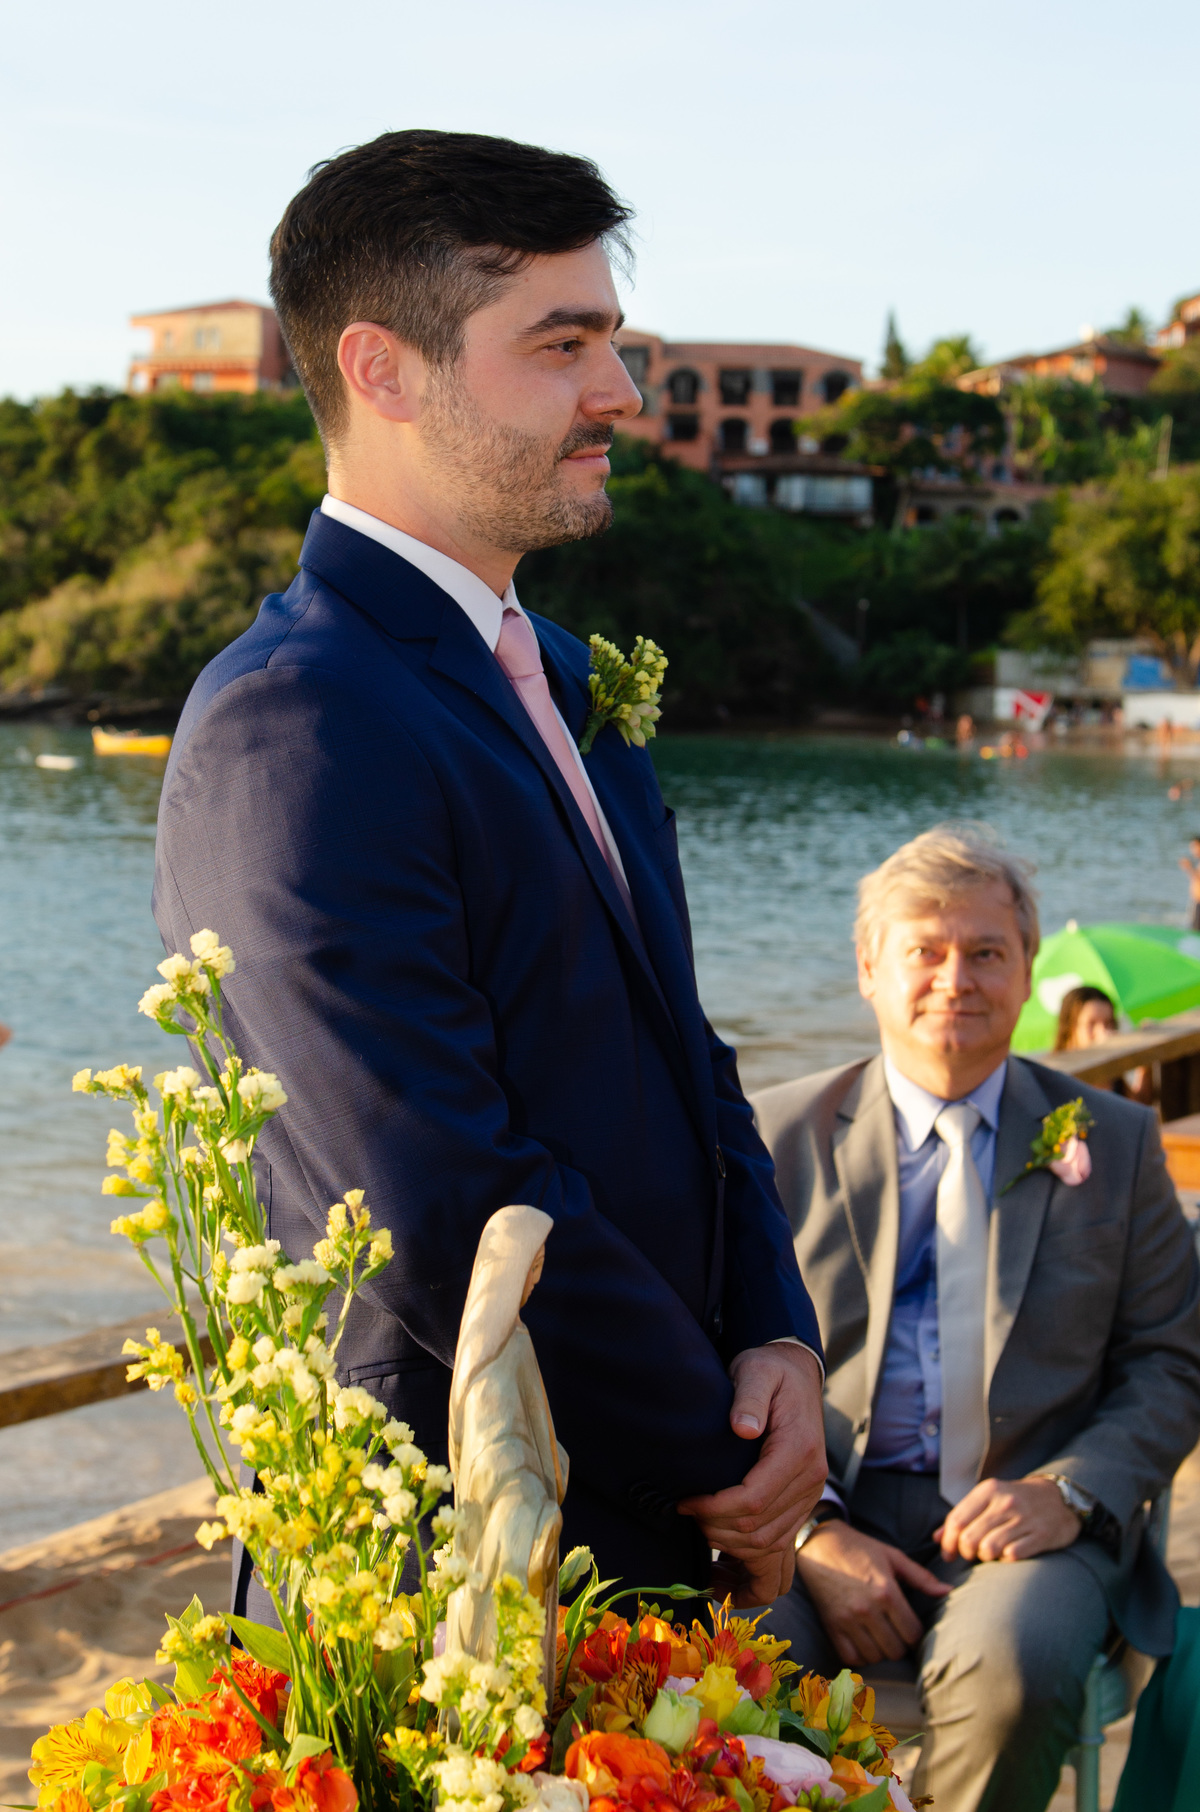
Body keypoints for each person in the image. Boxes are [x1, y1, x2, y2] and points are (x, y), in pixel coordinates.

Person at [152, 130, 825, 1612]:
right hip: (452, 1568)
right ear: (382, 369)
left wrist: (780, 1341)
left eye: (613, 341)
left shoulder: (571, 677)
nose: (621, 393)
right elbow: (428, 1188)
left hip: (660, 1519)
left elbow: (686, 1054)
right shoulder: (295, 718)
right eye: (562, 345)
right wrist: (722, 1453)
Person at [751, 823, 1200, 1812]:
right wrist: (812, 1533)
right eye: (925, 950)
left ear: (1029, 970)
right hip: (814, 1512)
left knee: (1011, 1672)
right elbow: (715, 1356)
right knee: (726, 1657)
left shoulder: (1117, 1144)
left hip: (1029, 1529)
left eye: (987, 952)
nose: (956, 979)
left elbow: (1174, 1361)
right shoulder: (774, 1141)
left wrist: (1071, 1491)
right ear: (869, 968)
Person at [1054, 983, 1154, 1104]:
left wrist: (1145, 1065)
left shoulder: (1110, 1070)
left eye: (1108, 1023)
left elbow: (1136, 1106)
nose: (1103, 1031)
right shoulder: (1057, 1078)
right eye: (1092, 1024)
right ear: (1070, 1028)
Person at [1179, 835, 1200, 930]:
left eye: (1194, 847)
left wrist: (1189, 868)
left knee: (1195, 930)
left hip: (1198, 903)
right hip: (1196, 902)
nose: (1192, 850)